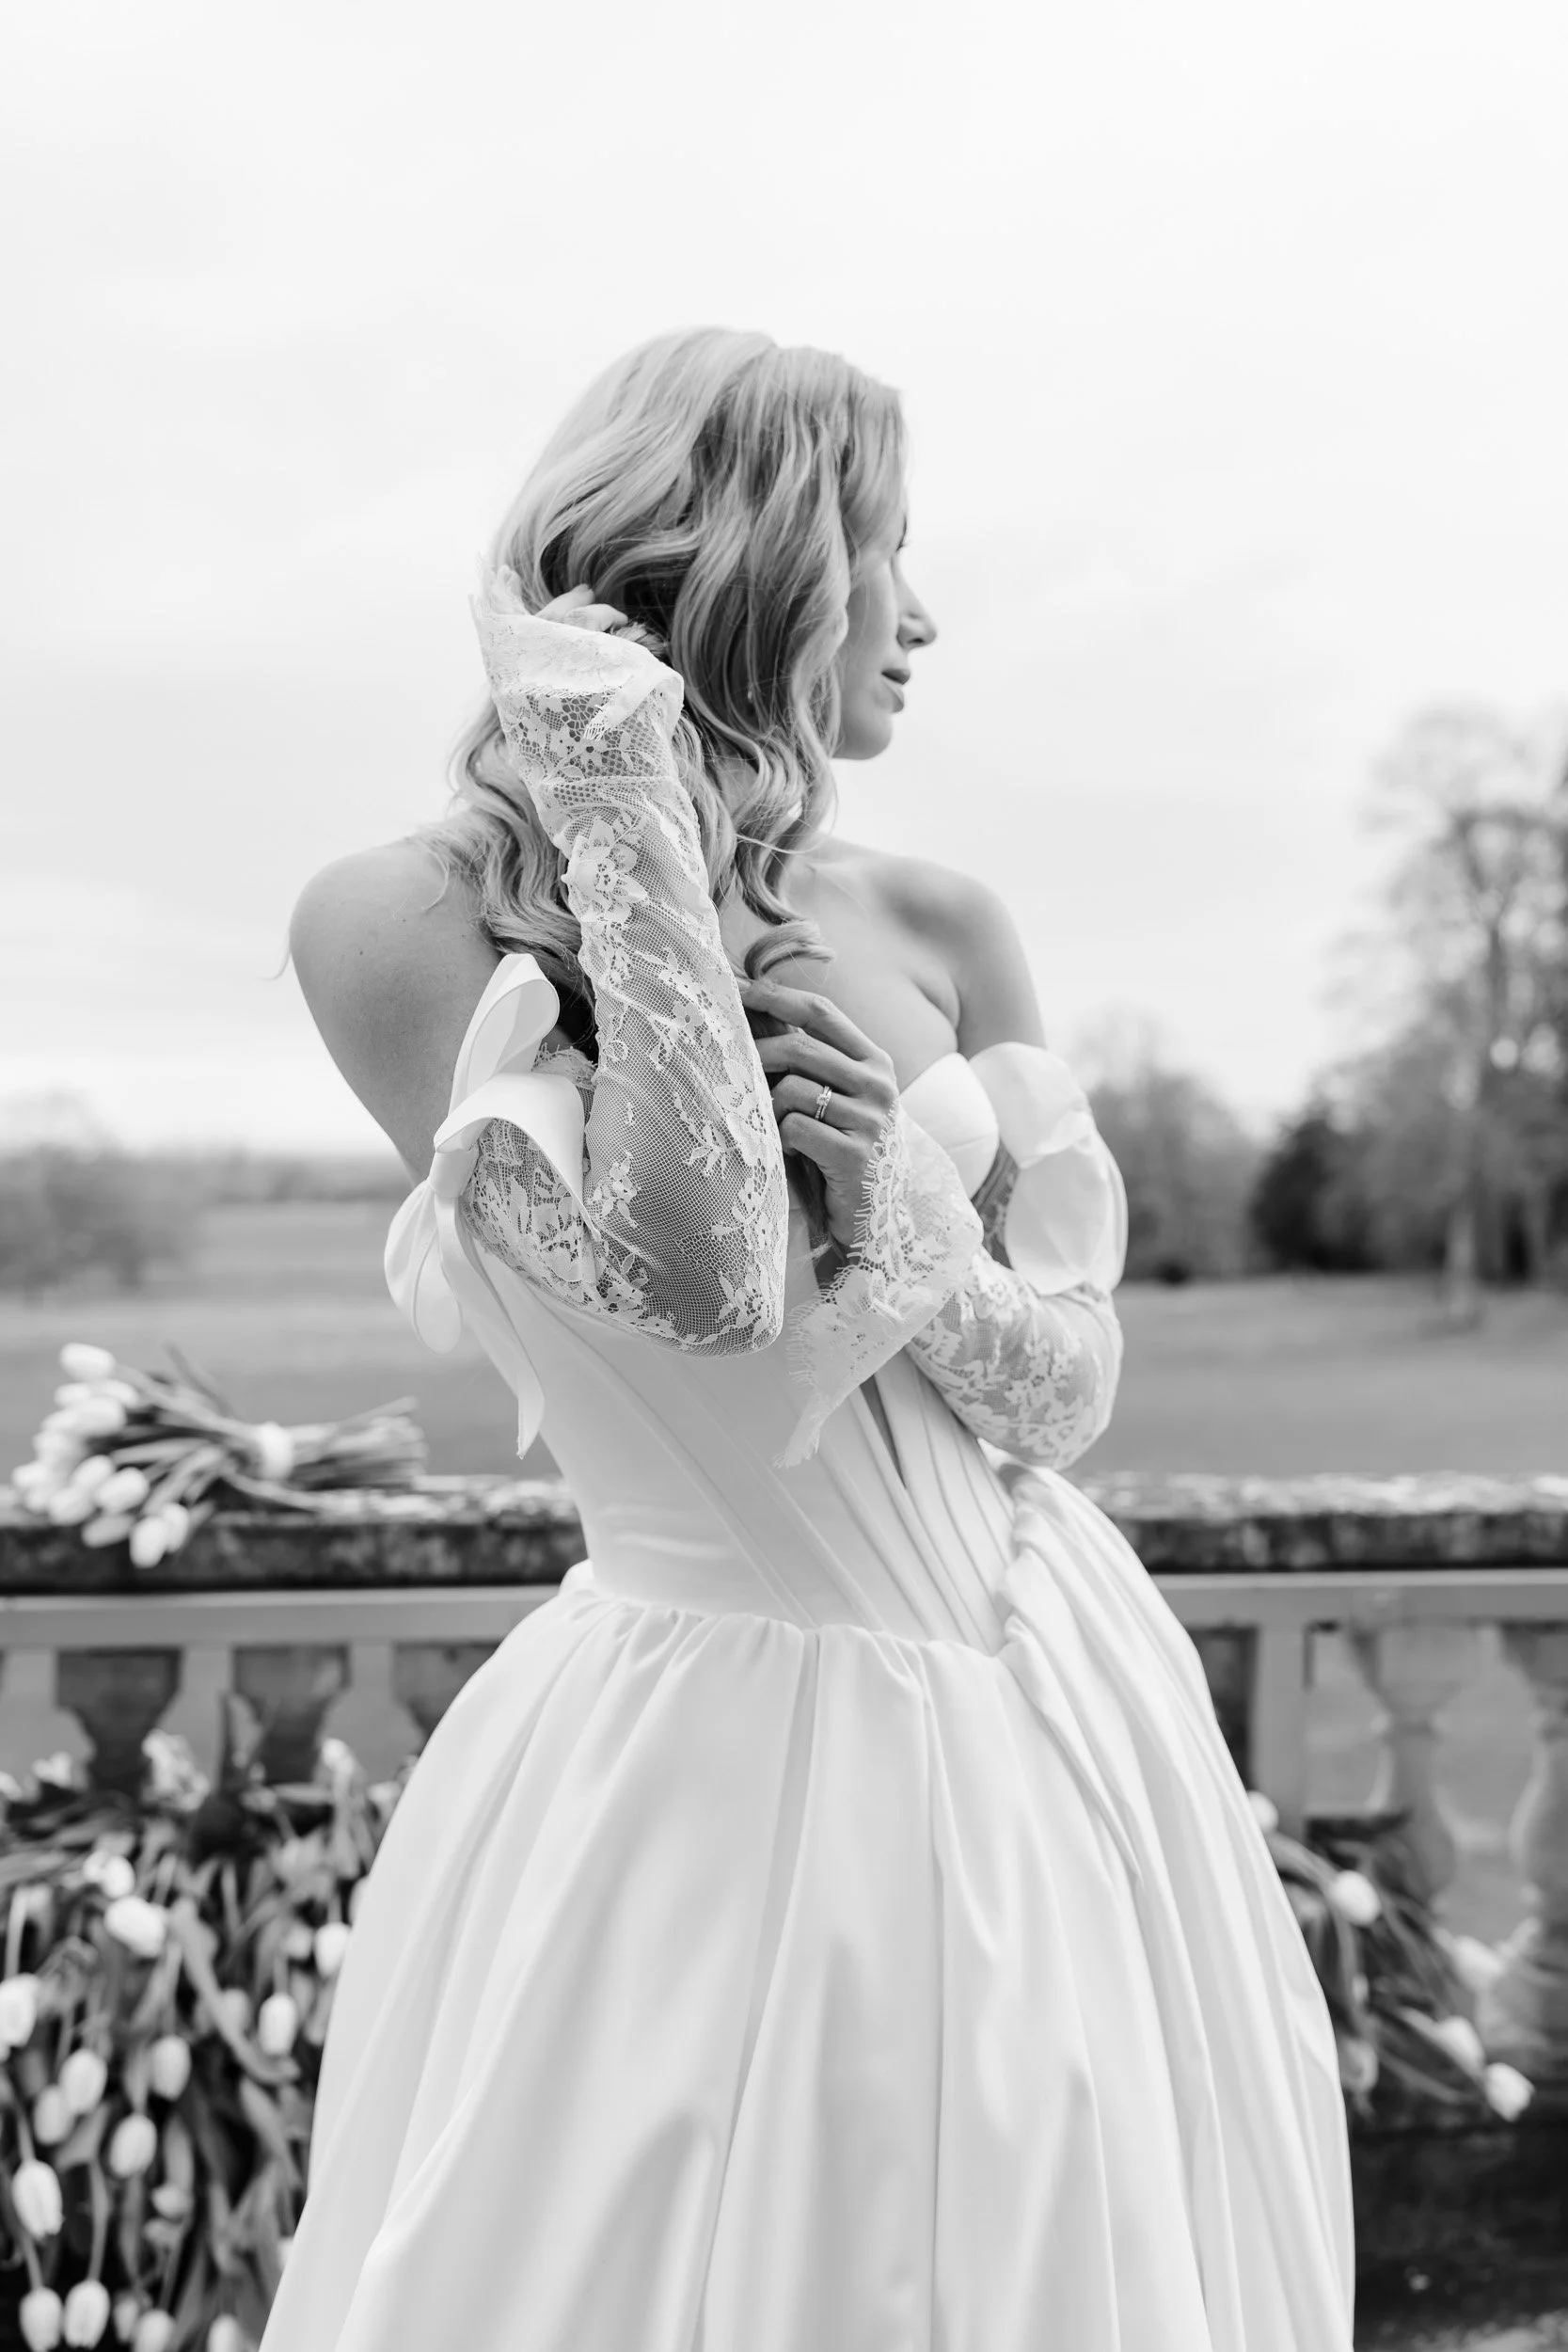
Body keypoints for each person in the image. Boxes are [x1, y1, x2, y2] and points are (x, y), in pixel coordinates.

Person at [270, 326, 1355, 2351]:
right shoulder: (397, 920)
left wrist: (926, 1243)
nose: (922, 616)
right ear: (761, 557)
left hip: (1050, 1718)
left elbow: (1072, 1384)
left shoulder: (947, 913)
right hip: (708, 1746)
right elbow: (706, 1293)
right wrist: (624, 815)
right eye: (890, 551)